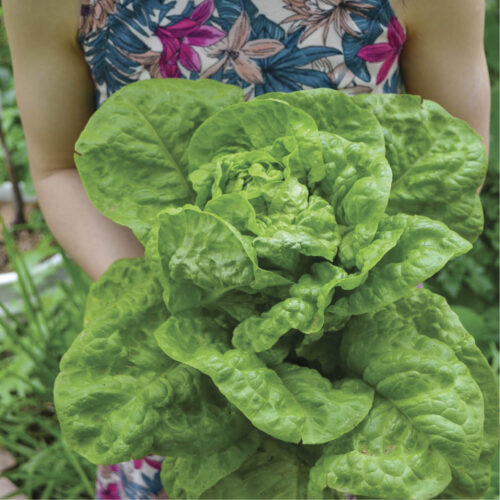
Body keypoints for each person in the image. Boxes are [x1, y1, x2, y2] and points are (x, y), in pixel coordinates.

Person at [3, 0, 491, 498]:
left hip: (354, 327)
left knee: (420, 461)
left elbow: (450, 152)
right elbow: (58, 165)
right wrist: (195, 300)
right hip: (179, 343)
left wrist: (350, 300)